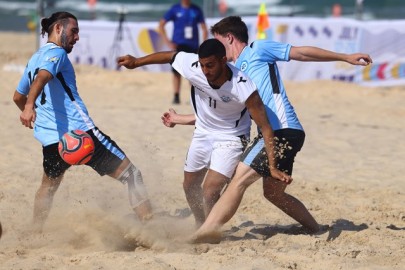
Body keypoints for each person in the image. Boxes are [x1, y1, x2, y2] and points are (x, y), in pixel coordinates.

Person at [191, 16, 373, 243]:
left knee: (238, 181)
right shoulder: (234, 73)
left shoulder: (258, 49)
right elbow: (223, 113)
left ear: (229, 38)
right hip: (280, 133)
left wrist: (344, 57)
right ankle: (315, 229)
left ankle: (204, 233)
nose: (218, 50)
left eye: (219, 42)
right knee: (273, 193)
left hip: (281, 130)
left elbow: (302, 53)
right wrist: (183, 118)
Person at [117, 39, 290, 227]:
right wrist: (136, 62)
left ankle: (210, 231)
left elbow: (265, 127)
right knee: (189, 186)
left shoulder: (243, 86)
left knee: (209, 191)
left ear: (224, 60)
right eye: (202, 65)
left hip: (232, 138)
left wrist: (272, 167)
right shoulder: (194, 67)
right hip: (202, 133)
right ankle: (201, 224)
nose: (205, 71)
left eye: (210, 65)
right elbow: (170, 56)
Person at [13, 11, 152, 233]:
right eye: (74, 31)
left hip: (52, 141)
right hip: (83, 134)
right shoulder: (57, 53)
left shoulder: (34, 57)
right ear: (58, 29)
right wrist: (30, 108)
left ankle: (34, 232)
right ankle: (151, 228)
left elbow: (17, 97)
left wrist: (37, 116)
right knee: (132, 175)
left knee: (47, 188)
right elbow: (43, 77)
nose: (77, 37)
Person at [159, 0, 208, 104]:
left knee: (193, 72)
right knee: (176, 71)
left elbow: (204, 29)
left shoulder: (196, 9)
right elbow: (161, 24)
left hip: (193, 46)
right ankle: (176, 96)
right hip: (178, 45)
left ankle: (193, 96)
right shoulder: (175, 9)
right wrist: (168, 42)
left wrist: (203, 45)